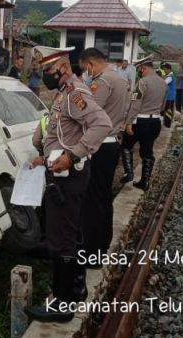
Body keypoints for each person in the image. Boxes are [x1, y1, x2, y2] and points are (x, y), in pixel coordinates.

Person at [26, 45, 112, 323]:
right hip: (60, 171)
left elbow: (102, 124)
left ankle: (62, 305)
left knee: (62, 240)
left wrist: (72, 154)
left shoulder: (75, 94)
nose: (46, 76)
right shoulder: (63, 93)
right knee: (71, 234)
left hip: (68, 176)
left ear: (63, 68)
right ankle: (75, 288)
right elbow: (62, 134)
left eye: (49, 71)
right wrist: (45, 156)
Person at [78, 47, 129, 262]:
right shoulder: (121, 79)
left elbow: (90, 113)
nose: (86, 74)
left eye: (85, 69)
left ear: (91, 63)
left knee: (94, 200)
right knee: (104, 197)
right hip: (113, 142)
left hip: (100, 146)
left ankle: (93, 252)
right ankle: (102, 247)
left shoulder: (103, 81)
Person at [119, 55, 168, 191]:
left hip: (140, 121)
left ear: (143, 68)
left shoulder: (142, 82)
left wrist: (128, 122)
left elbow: (135, 104)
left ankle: (129, 173)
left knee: (126, 146)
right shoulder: (163, 83)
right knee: (147, 151)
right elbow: (164, 105)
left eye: (139, 69)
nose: (139, 71)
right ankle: (145, 182)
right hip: (155, 122)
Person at [161, 62, 176, 128]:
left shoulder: (170, 77)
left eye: (165, 70)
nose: (164, 71)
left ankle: (167, 124)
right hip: (170, 96)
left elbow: (164, 83)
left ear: (168, 69)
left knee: (168, 110)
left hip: (169, 96)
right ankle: (167, 123)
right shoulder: (170, 76)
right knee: (168, 110)